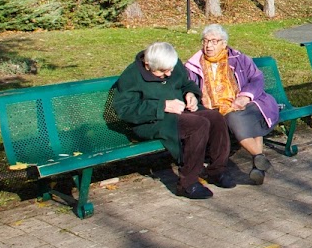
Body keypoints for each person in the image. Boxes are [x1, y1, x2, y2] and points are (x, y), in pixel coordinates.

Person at [112, 42, 233, 199]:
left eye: (170, 69)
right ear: (147, 65)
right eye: (162, 71)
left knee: (215, 117)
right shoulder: (132, 75)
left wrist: (191, 95)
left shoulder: (171, 65)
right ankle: (187, 184)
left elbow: (186, 84)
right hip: (149, 121)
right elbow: (125, 110)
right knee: (197, 125)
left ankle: (216, 170)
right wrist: (163, 106)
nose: (168, 74)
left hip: (179, 112)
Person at [184, 25, 279, 185]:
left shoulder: (238, 59)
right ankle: (259, 159)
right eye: (206, 41)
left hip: (249, 101)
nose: (208, 46)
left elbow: (257, 79)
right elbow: (188, 85)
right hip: (215, 109)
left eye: (214, 41)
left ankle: (259, 163)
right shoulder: (194, 64)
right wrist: (190, 95)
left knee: (243, 116)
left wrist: (244, 97)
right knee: (233, 118)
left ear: (224, 43)